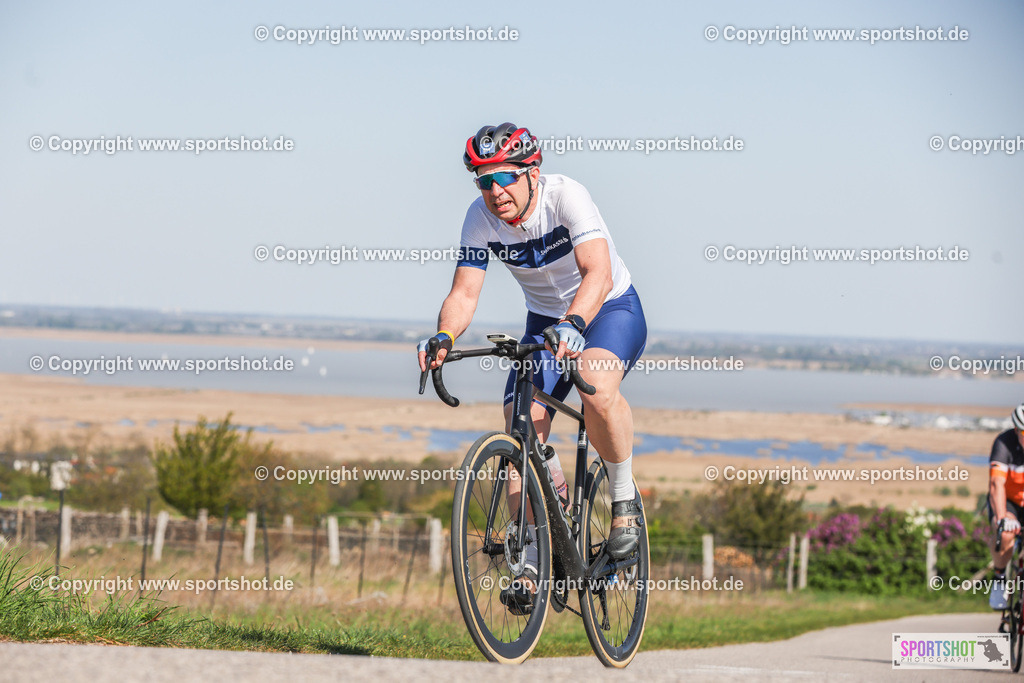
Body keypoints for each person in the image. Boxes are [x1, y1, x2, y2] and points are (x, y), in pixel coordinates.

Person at [417, 123, 648, 612]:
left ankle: (624, 504)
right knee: (520, 429)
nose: (494, 191)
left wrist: (576, 323)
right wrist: (444, 336)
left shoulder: (567, 198)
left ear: (532, 173)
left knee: (596, 387)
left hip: (608, 308)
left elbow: (598, 272)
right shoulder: (479, 219)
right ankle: (539, 552)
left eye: (503, 177)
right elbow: (463, 293)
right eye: (483, 180)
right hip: (545, 322)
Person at [988, 403, 1024, 610]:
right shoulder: (1004, 443)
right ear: (1017, 430)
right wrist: (1002, 518)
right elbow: (997, 484)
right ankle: (1000, 579)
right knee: (1005, 534)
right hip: (1008, 501)